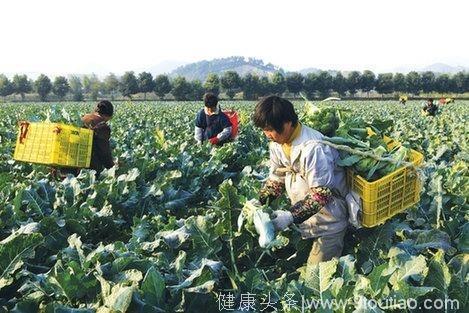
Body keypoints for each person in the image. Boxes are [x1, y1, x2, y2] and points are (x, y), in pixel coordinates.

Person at [253, 95, 348, 266]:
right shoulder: (277, 144)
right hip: (307, 222)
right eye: (264, 130)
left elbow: (321, 195)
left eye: (269, 129)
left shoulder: (313, 147)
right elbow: (277, 180)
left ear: (287, 123)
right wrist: (258, 202)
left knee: (315, 280)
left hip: (329, 222)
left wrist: (290, 216)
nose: (267, 135)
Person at [52, 100, 115, 178]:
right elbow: (104, 152)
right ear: (108, 115)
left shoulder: (83, 118)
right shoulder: (102, 127)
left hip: (70, 163)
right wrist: (112, 167)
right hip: (88, 169)